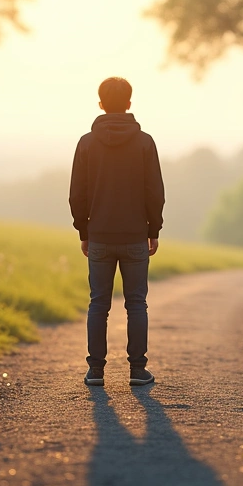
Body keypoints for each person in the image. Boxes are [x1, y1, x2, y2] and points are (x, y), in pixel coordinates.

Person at [69, 76, 165, 387]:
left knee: (99, 303)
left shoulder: (86, 142)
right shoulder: (145, 142)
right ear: (129, 104)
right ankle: (138, 371)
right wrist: (155, 229)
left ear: (100, 104)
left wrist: (83, 231)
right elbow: (155, 191)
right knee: (136, 303)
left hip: (99, 236)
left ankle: (95, 371)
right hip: (136, 235)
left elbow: (76, 194)